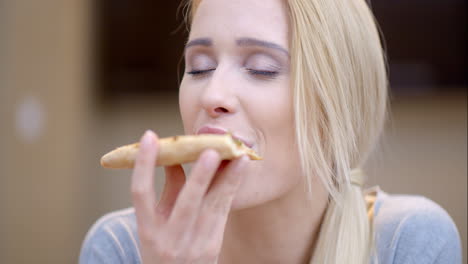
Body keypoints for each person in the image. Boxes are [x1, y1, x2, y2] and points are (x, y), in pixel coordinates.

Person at [79, 0, 462, 263]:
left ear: (336, 103)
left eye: (261, 67)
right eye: (198, 67)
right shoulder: (122, 247)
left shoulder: (407, 242)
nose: (213, 95)